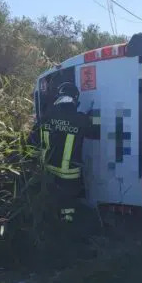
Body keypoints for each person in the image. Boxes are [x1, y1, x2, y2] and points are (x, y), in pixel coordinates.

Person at [39, 82, 99, 223]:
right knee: (67, 205)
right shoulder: (80, 119)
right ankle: (66, 226)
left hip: (47, 169)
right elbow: (96, 132)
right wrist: (95, 115)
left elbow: (33, 139)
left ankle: (50, 225)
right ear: (75, 100)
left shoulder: (47, 115)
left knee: (51, 200)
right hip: (69, 174)